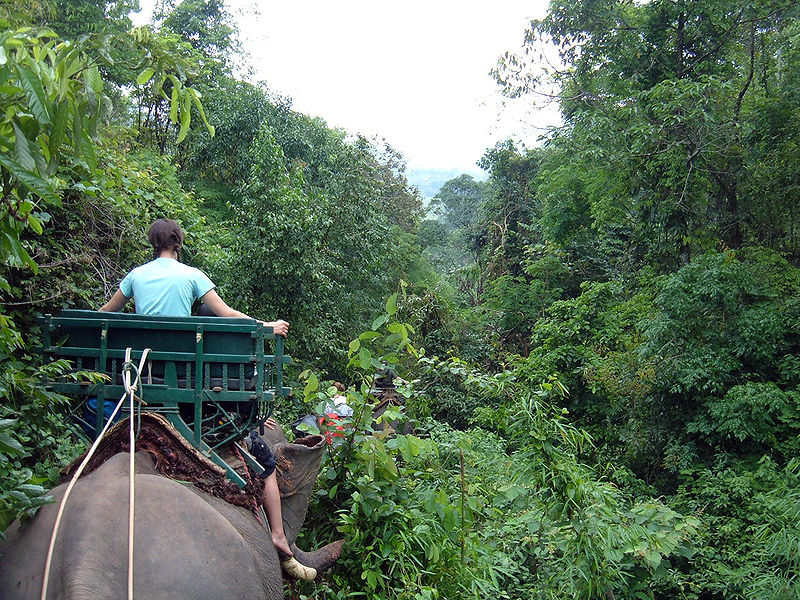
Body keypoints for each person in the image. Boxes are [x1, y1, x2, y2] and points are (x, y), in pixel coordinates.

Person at [99, 218, 313, 580]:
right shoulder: (193, 276)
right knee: (264, 460)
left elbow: (104, 316)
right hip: (185, 393)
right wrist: (267, 327)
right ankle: (278, 536)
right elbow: (229, 316)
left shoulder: (135, 276)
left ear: (151, 243)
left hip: (138, 384)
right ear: (179, 243)